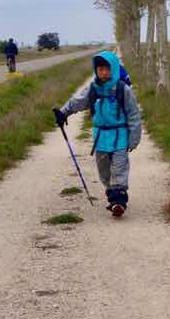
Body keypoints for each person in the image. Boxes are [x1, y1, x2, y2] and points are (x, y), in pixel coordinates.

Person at [53, 50, 141, 217]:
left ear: (114, 69)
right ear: (96, 70)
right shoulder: (93, 88)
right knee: (104, 172)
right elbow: (78, 102)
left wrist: (134, 138)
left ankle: (119, 202)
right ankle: (112, 194)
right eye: (100, 69)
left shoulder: (123, 90)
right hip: (100, 138)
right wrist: (63, 113)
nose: (103, 72)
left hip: (120, 136)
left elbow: (134, 114)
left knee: (120, 169)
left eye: (107, 69)